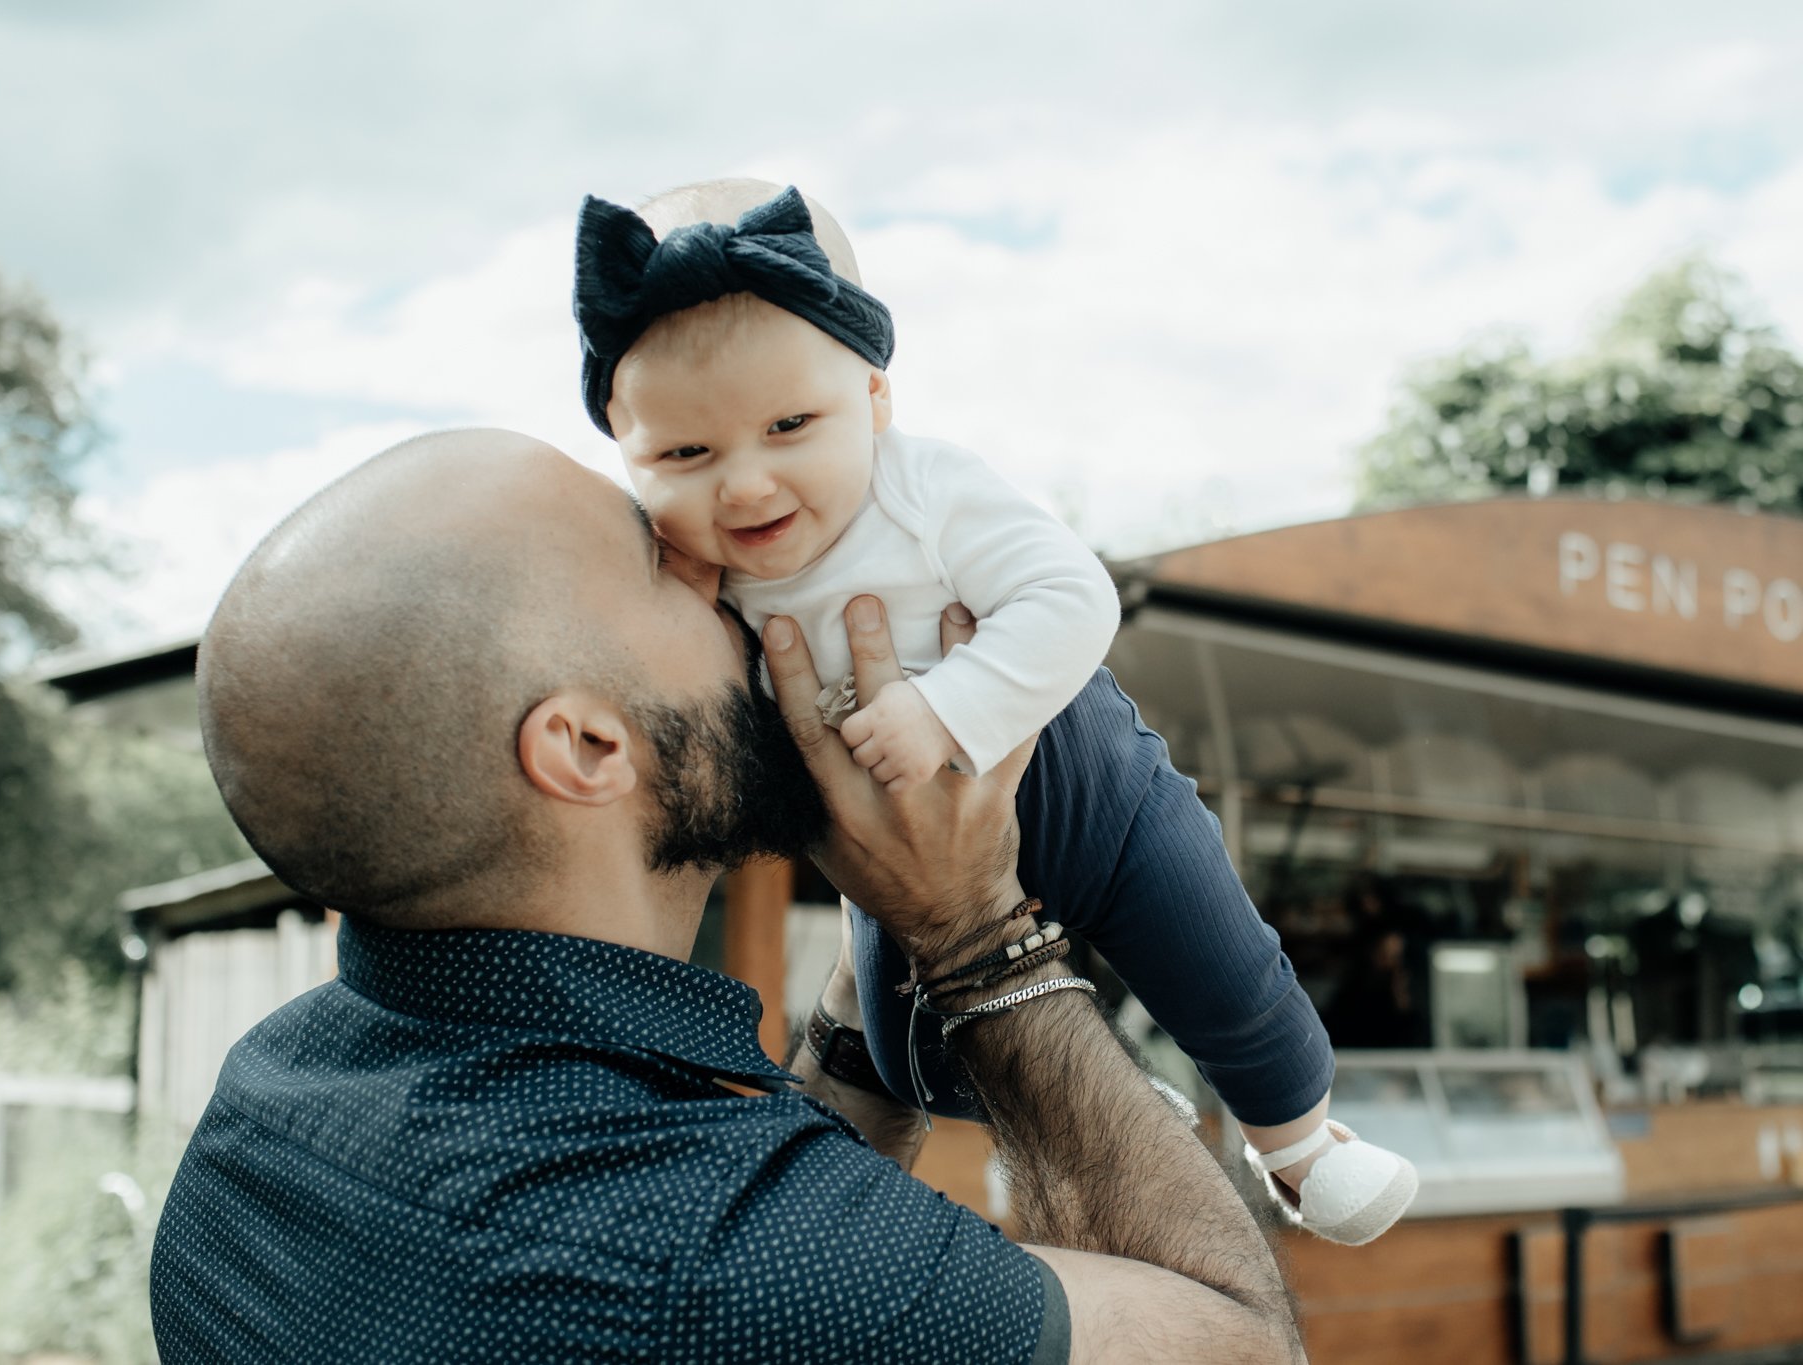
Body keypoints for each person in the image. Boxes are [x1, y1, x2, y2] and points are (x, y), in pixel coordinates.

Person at [148, 428, 1305, 1364]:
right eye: (660, 562)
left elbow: (760, 1197)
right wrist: (974, 937)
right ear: (589, 747)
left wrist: (890, 948)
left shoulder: (260, 1105)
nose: (717, 552)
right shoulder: (707, 1270)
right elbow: (1239, 1348)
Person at [572, 179, 1415, 1243]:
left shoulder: (920, 492)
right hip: (890, 847)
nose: (744, 487)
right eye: (684, 455)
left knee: (1224, 966)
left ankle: (1296, 1147)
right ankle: (1086, 1106)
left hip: (1086, 787)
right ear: (625, 448)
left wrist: (948, 706)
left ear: (873, 402)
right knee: (898, 1046)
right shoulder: (697, 579)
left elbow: (1071, 596)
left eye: (791, 425)